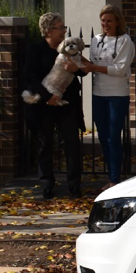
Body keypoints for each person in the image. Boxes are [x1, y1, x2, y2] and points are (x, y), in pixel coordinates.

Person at [25, 12, 84, 199]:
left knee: (72, 144)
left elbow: (82, 71)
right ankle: (47, 184)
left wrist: (77, 69)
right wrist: (47, 96)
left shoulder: (68, 48)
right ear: (49, 30)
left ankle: (74, 185)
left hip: (68, 104)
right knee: (45, 144)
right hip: (45, 105)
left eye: (64, 28)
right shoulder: (35, 50)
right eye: (61, 28)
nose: (64, 31)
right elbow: (30, 77)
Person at [85, 4, 135, 188]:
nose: (105, 24)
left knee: (114, 136)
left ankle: (115, 179)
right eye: (103, 20)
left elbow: (120, 69)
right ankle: (111, 174)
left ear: (117, 22)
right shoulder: (96, 39)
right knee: (103, 136)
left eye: (109, 21)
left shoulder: (124, 41)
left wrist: (95, 68)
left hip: (117, 94)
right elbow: (92, 64)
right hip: (98, 93)